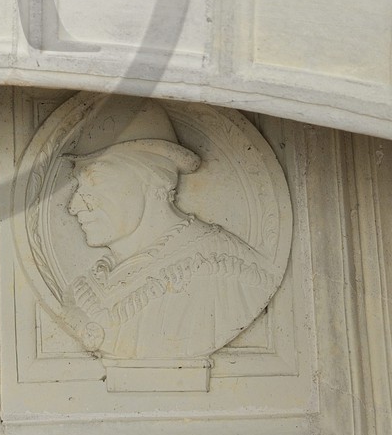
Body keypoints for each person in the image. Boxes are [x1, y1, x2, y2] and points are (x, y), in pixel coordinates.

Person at [53, 101, 276, 361]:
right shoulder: (84, 291)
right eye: (79, 186)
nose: (74, 206)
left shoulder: (225, 275)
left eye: (95, 180)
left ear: (152, 179)